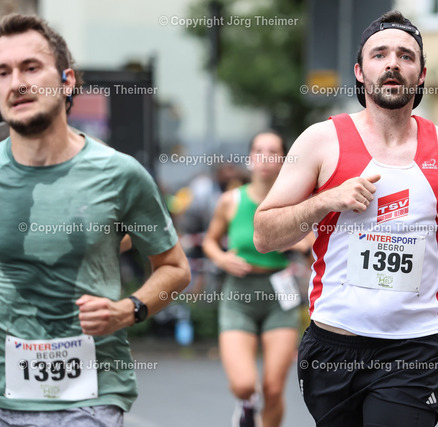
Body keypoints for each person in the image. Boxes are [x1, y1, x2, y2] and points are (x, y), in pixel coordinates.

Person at [254, 10, 438, 427]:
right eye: (379, 54)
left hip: (414, 346)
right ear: (360, 72)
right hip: (333, 343)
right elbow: (264, 235)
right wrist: (326, 200)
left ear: (421, 74)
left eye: (405, 55)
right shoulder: (321, 141)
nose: (393, 63)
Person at [0, 13, 191, 426]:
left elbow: (175, 268)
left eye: (31, 68)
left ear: (66, 80)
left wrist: (128, 309)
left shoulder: (120, 175)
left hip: (91, 396)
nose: (16, 83)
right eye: (3, 72)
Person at [202, 132, 312, 427]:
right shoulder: (231, 200)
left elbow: (316, 252)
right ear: (250, 158)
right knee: (244, 385)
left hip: (279, 295)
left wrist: (301, 244)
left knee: (273, 389)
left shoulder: (295, 202)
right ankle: (247, 404)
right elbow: (209, 242)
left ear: (283, 160)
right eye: (259, 150)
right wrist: (222, 259)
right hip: (239, 294)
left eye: (273, 151)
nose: (265, 156)